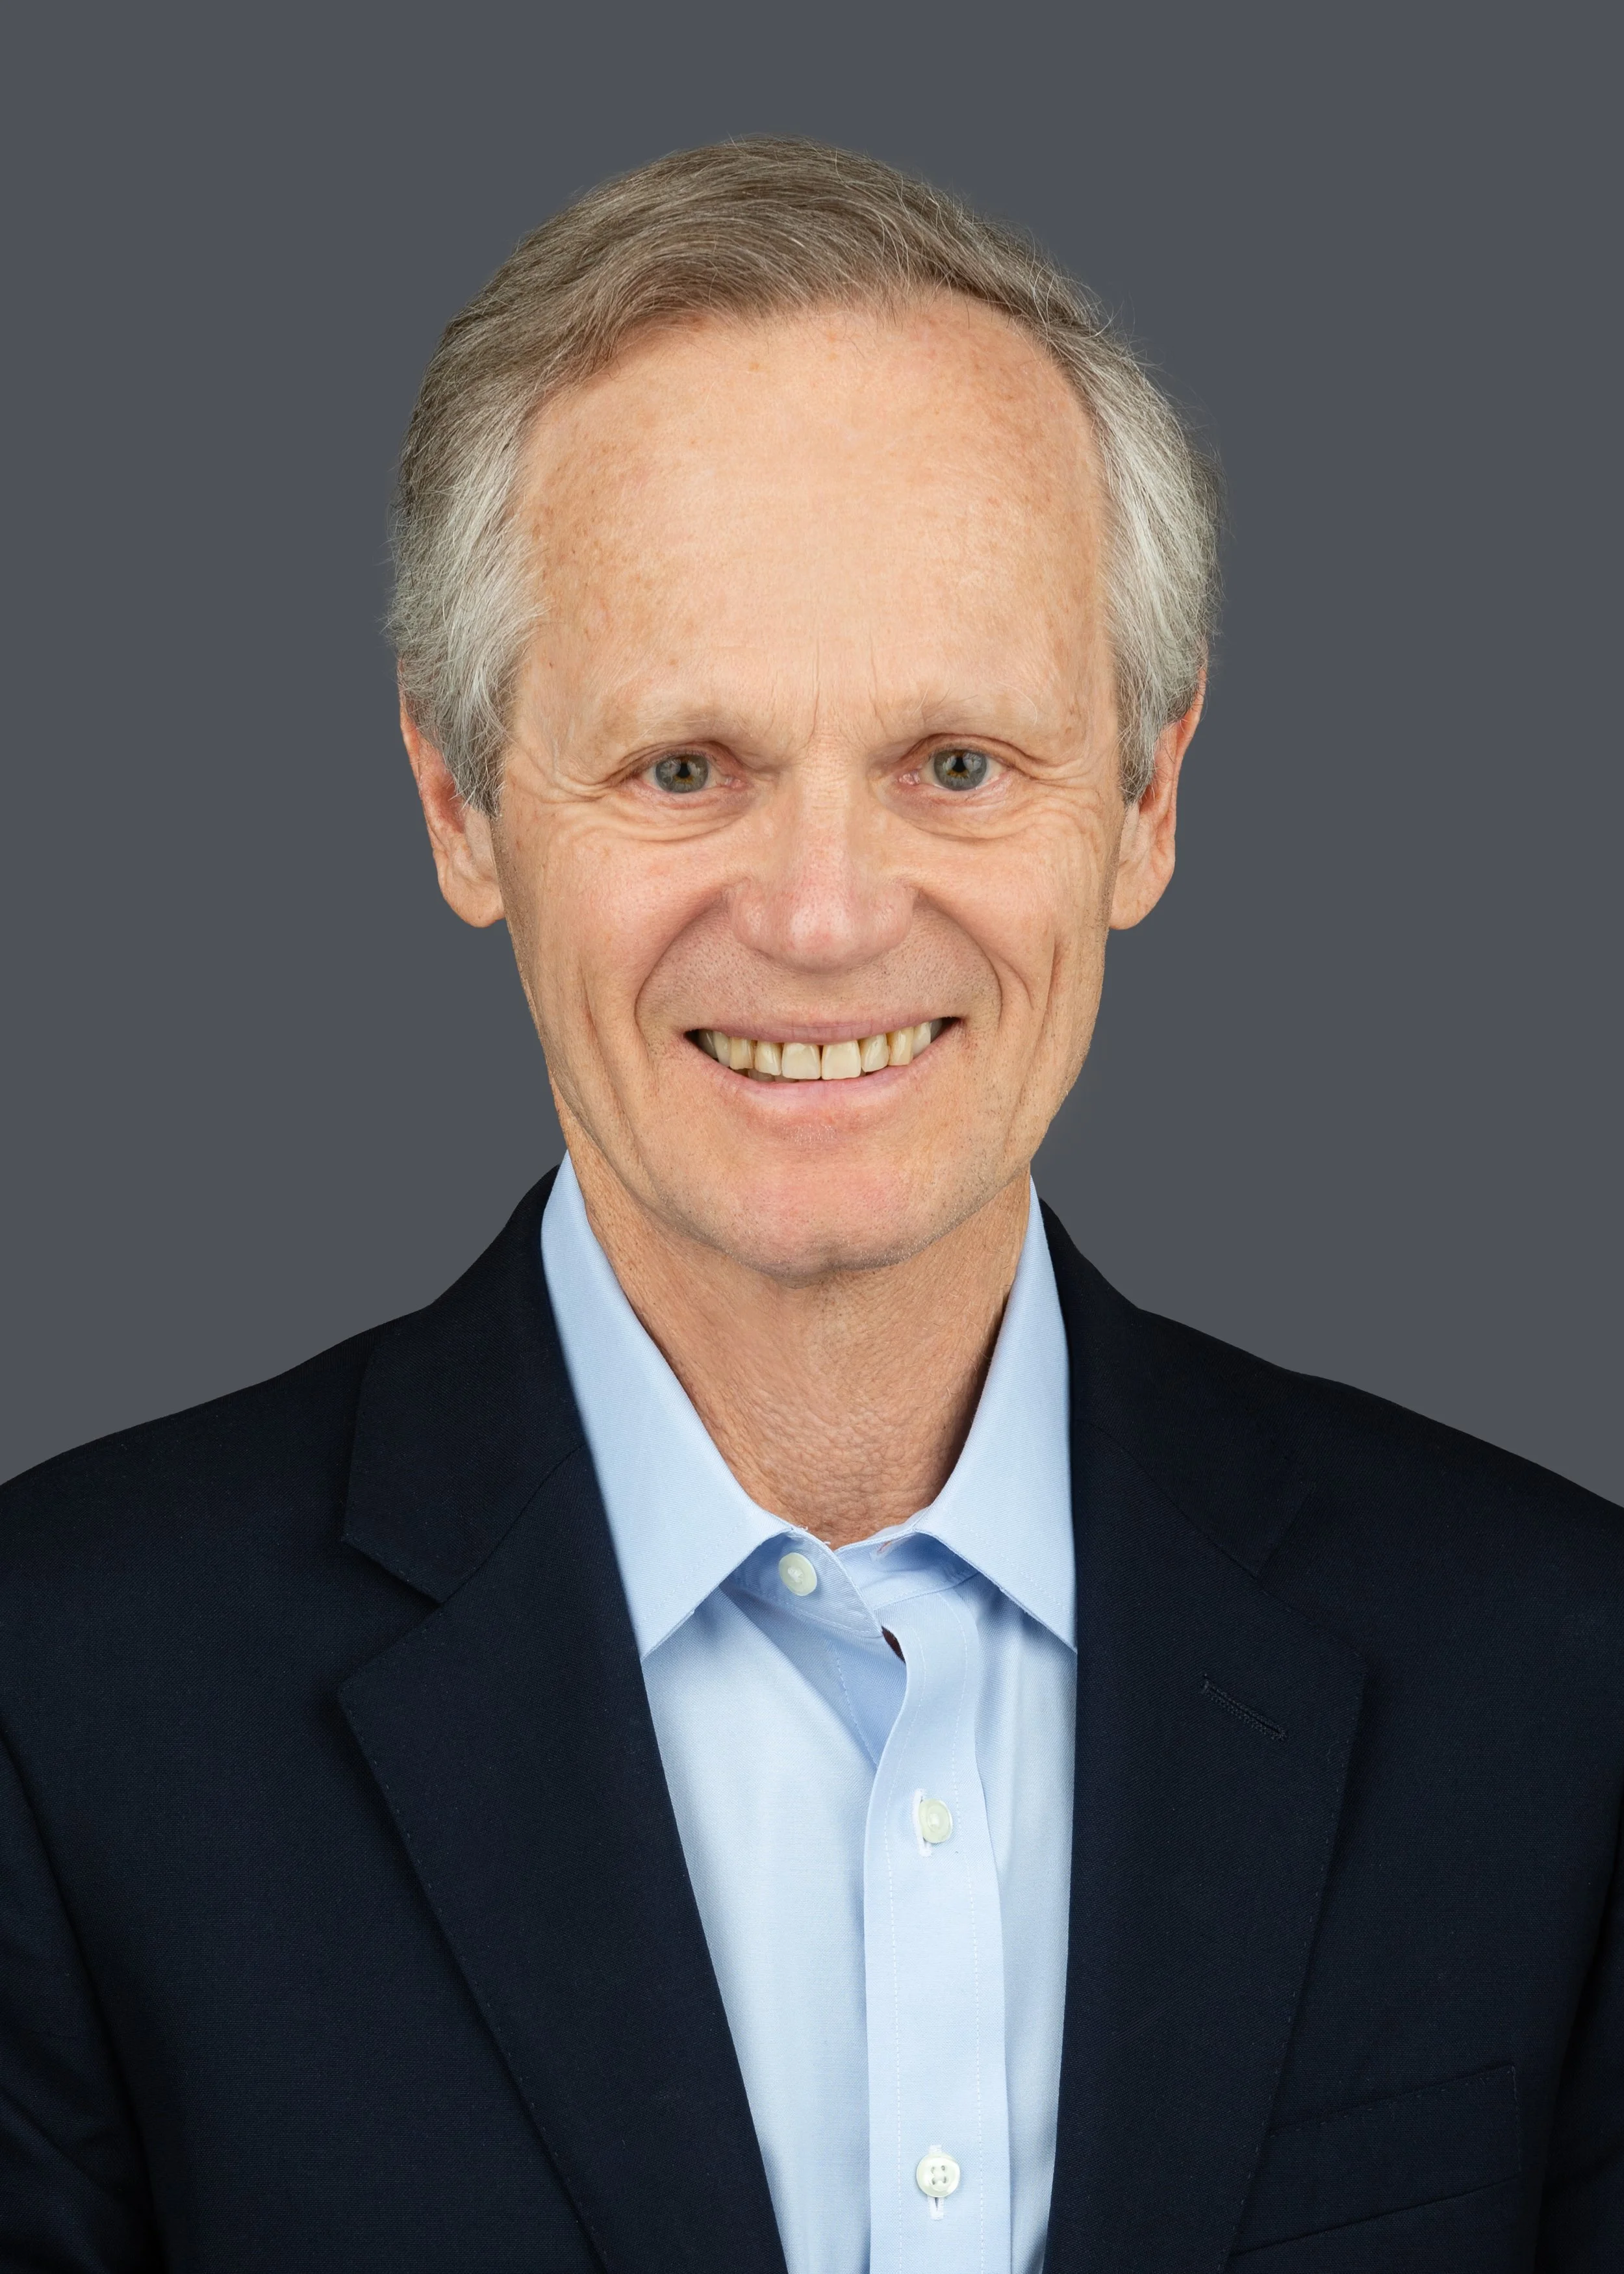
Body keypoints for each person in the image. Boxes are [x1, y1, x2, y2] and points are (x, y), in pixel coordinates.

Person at [0, 136, 1618, 2274]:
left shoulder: (1556, 1683)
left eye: (956, 760)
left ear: (1143, 799)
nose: (828, 915)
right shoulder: (59, 1694)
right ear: (459, 804)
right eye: (687, 766)